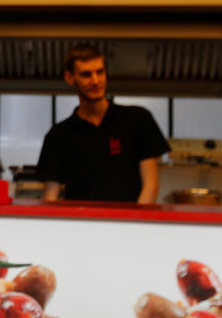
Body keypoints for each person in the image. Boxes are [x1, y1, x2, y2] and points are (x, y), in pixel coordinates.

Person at [36, 44, 170, 203]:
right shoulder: (58, 135)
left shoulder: (138, 119)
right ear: (70, 78)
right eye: (86, 74)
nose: (95, 81)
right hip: (80, 225)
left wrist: (133, 224)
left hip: (129, 224)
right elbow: (51, 196)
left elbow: (151, 186)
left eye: (100, 72)